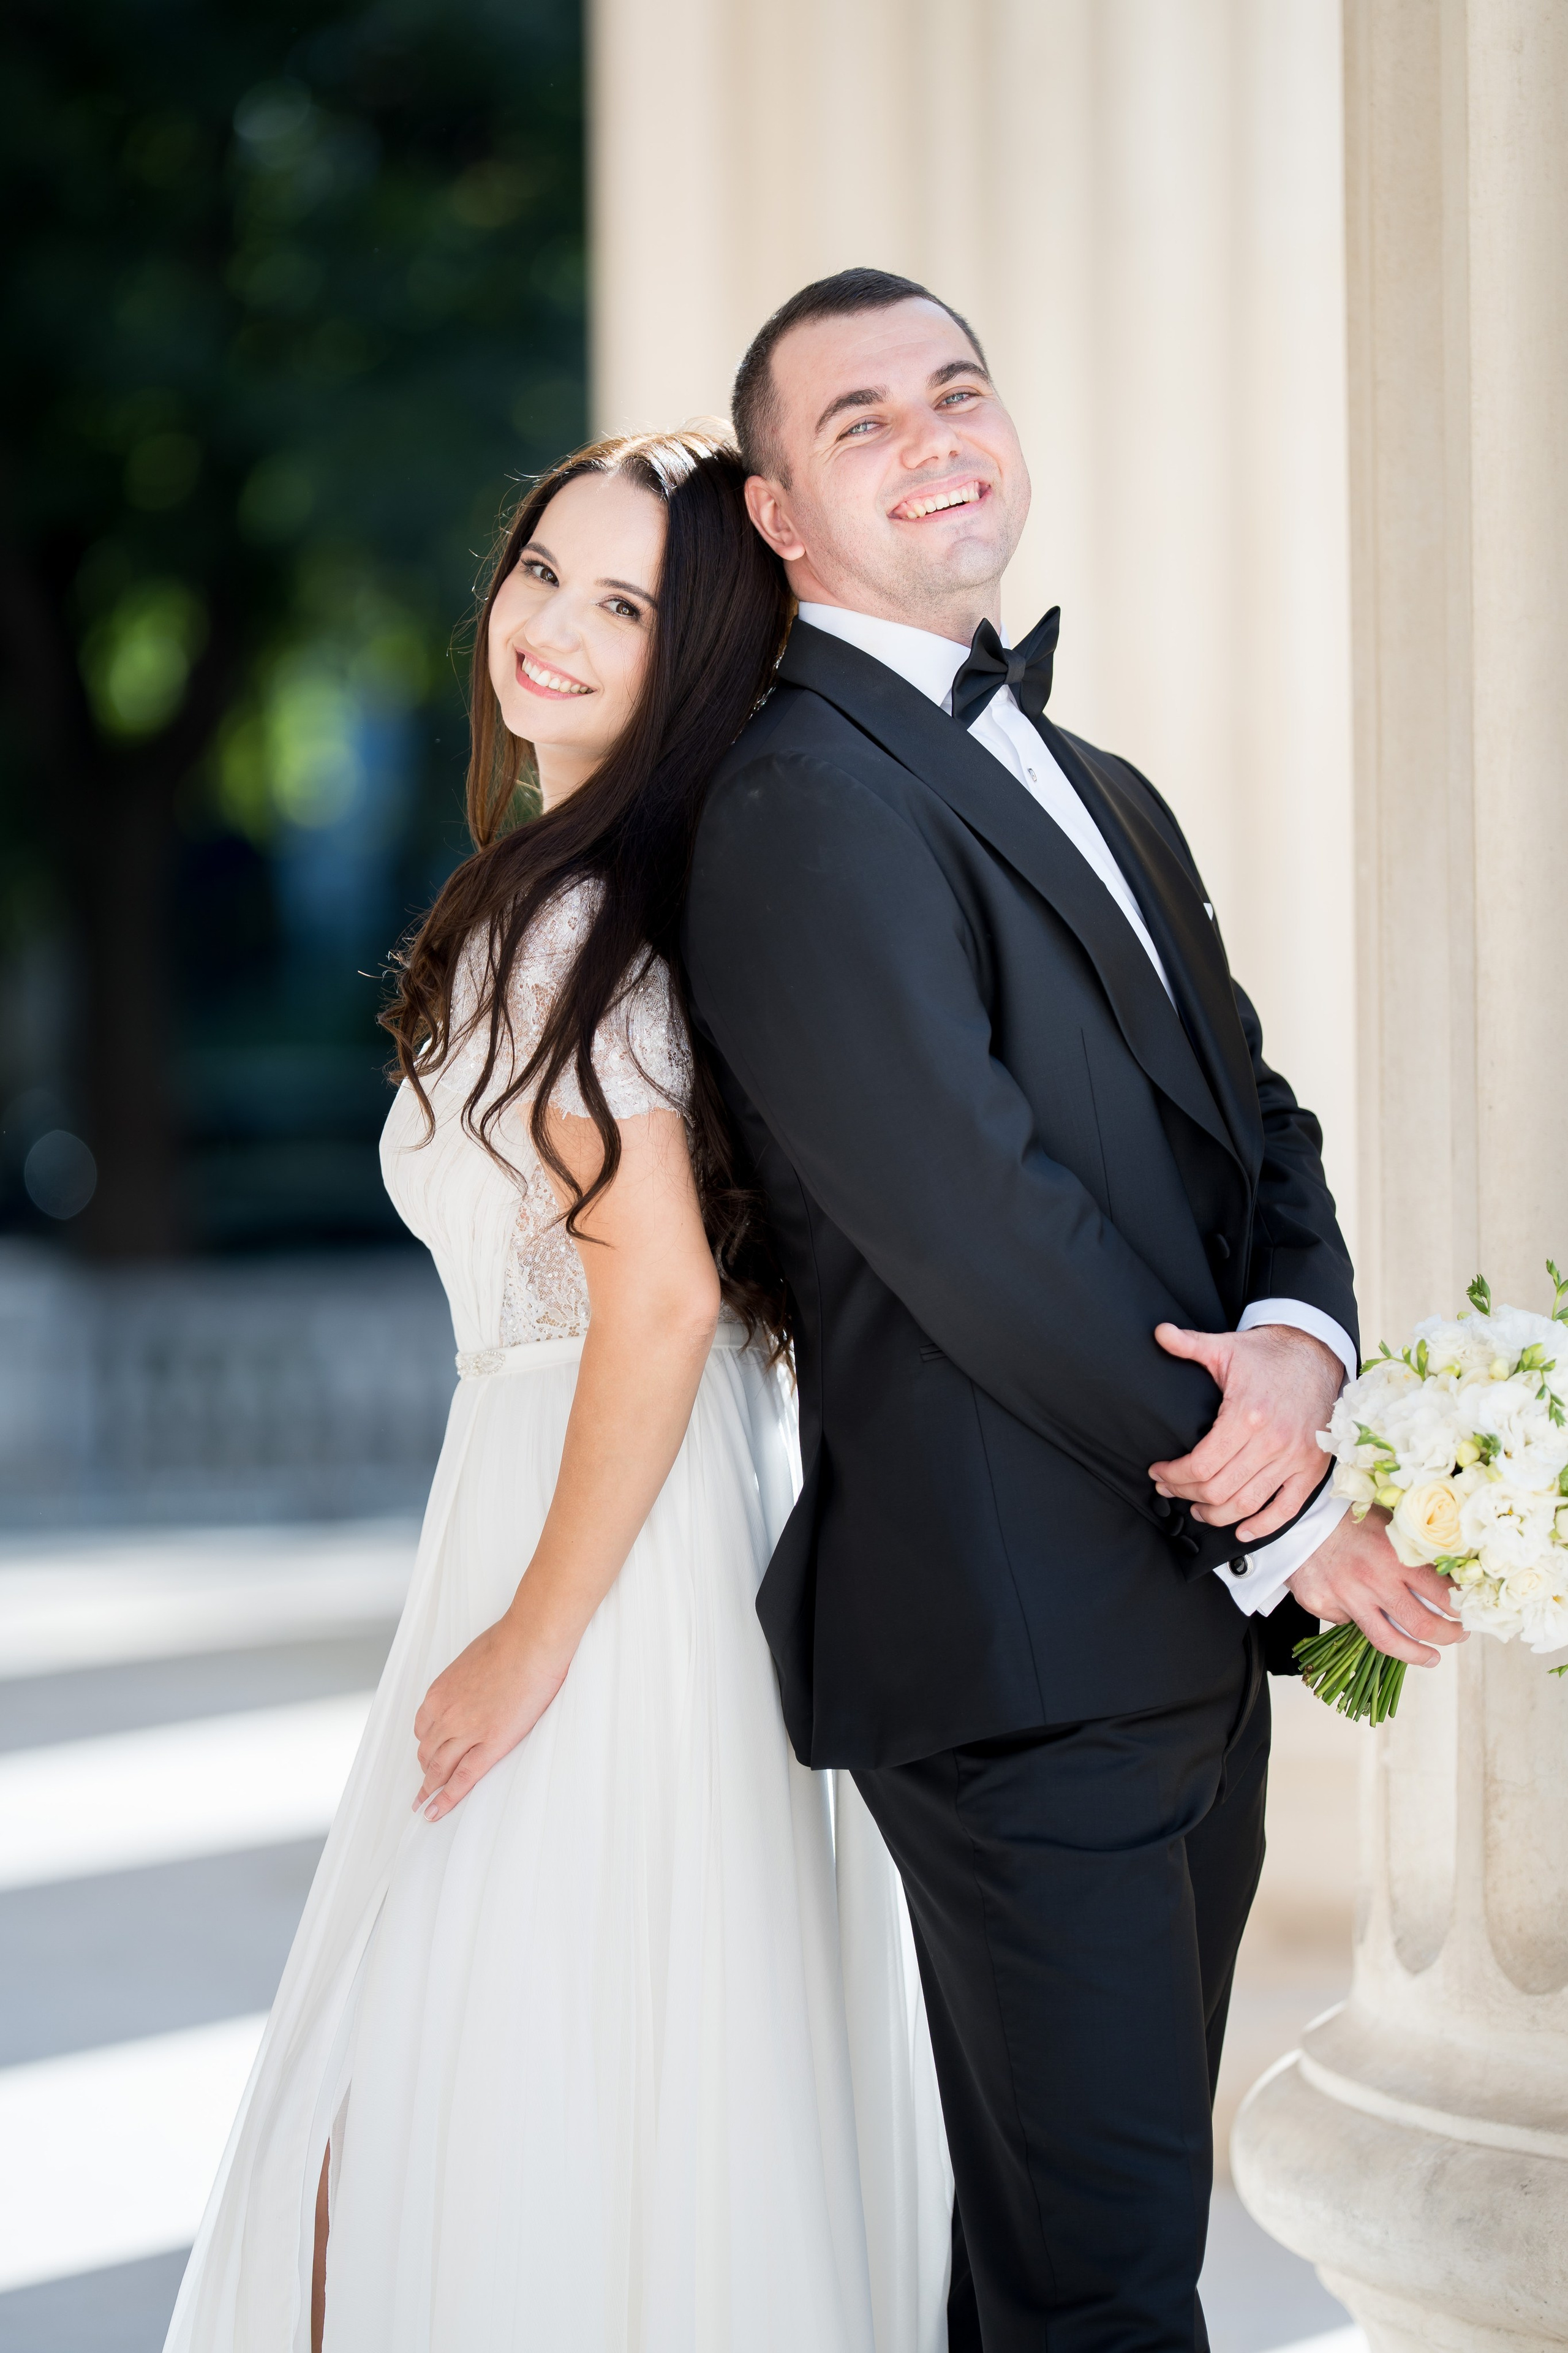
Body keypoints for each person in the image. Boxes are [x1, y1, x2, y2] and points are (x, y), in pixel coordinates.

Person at [682, 270, 1469, 2352]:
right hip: (1017, 1653)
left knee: (1071, 2276)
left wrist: (1305, 1343)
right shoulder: (797, 800)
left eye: (958, 390)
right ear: (777, 514)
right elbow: (978, 1222)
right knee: (1107, 2292)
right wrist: (1290, 1503)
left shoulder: (1101, 779)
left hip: (1171, 1636)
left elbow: (1257, 1121)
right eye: (861, 422)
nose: (935, 437)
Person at [163, 428, 952, 2353]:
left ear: (695, 658)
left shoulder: (573, 925)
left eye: (624, 605)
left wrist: (530, 1632)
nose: (553, 627)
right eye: (542, 572)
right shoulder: (607, 891)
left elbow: (660, 1298)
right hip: (627, 1521)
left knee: (413, 2123)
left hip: (598, 1557)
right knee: (547, 2105)